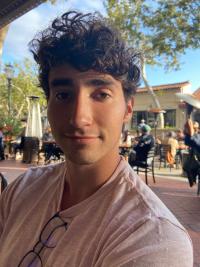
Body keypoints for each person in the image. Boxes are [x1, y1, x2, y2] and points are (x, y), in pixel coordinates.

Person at [0, 11, 193, 267]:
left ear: (127, 109)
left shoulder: (153, 239)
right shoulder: (20, 190)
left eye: (101, 94)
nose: (79, 118)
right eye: (63, 95)